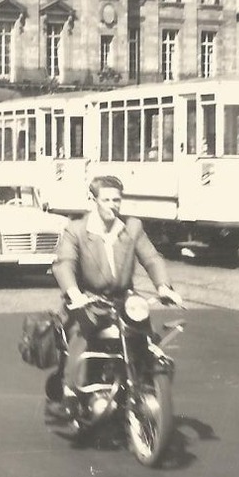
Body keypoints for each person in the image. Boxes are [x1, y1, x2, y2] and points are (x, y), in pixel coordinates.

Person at [47, 175, 185, 420]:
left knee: (147, 340)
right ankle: (69, 392)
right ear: (93, 200)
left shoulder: (131, 228)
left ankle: (146, 386)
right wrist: (74, 294)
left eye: (117, 200)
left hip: (124, 300)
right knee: (83, 334)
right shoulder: (76, 230)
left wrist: (163, 287)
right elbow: (64, 264)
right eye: (107, 200)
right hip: (88, 299)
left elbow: (152, 258)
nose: (113, 205)